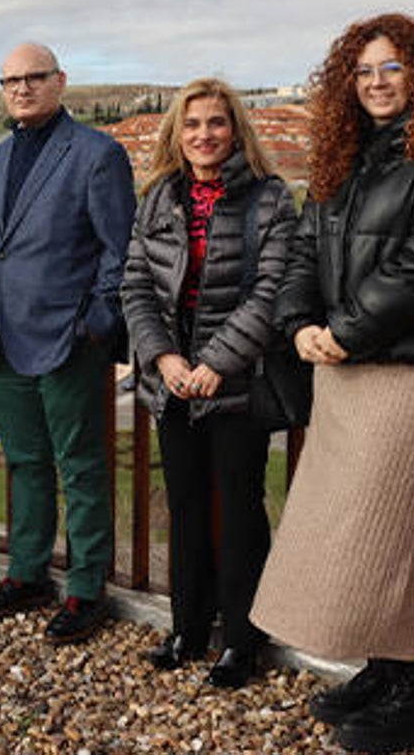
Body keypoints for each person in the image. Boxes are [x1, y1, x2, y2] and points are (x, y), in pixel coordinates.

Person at [250, 13, 414, 753]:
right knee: (367, 533)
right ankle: (393, 675)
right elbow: (303, 249)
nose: (377, 83)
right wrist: (298, 322)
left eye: (392, 68)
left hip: (409, 369)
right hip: (343, 367)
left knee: (371, 533)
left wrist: (346, 329)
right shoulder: (345, 157)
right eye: (364, 72)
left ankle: (413, 698)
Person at [121, 78, 297, 687]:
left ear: (236, 129)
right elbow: (135, 285)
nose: (204, 134)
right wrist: (164, 359)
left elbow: (270, 293)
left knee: (239, 510)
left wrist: (215, 363)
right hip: (172, 382)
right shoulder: (159, 198)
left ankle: (242, 641)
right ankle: (188, 627)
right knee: (188, 505)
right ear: (177, 131)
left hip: (237, 381)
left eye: (216, 122)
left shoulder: (270, 200)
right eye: (192, 124)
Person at [0, 42, 136, 644]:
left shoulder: (97, 154)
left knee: (82, 467)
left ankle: (86, 587)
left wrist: (94, 323)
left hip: (68, 341)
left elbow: (119, 251)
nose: (21, 89)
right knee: (26, 462)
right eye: (9, 79)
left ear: (60, 81)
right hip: (0, 338)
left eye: (33, 77)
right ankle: (27, 572)